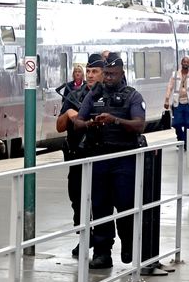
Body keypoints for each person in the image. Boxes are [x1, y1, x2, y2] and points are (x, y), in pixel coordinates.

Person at [73, 53, 146, 269]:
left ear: (122, 73)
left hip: (124, 158)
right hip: (99, 157)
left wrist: (115, 120)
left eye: (113, 74)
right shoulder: (93, 96)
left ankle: (128, 243)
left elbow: (139, 125)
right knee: (100, 206)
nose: (109, 78)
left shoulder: (132, 96)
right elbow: (77, 122)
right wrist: (90, 124)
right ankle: (102, 252)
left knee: (125, 203)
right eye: (107, 74)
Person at [55, 54, 105, 258]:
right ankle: (85, 237)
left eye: (95, 71)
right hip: (76, 157)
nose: (90, 75)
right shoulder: (75, 95)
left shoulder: (107, 96)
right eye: (89, 71)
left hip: (100, 156)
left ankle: (101, 245)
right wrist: (68, 115)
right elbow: (58, 127)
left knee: (99, 201)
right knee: (77, 199)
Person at [164, 56, 189, 146]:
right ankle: (180, 137)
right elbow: (170, 86)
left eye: (187, 62)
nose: (186, 64)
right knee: (176, 123)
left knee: (188, 123)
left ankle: (185, 141)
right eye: (184, 62)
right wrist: (167, 99)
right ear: (181, 63)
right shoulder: (175, 74)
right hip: (177, 102)